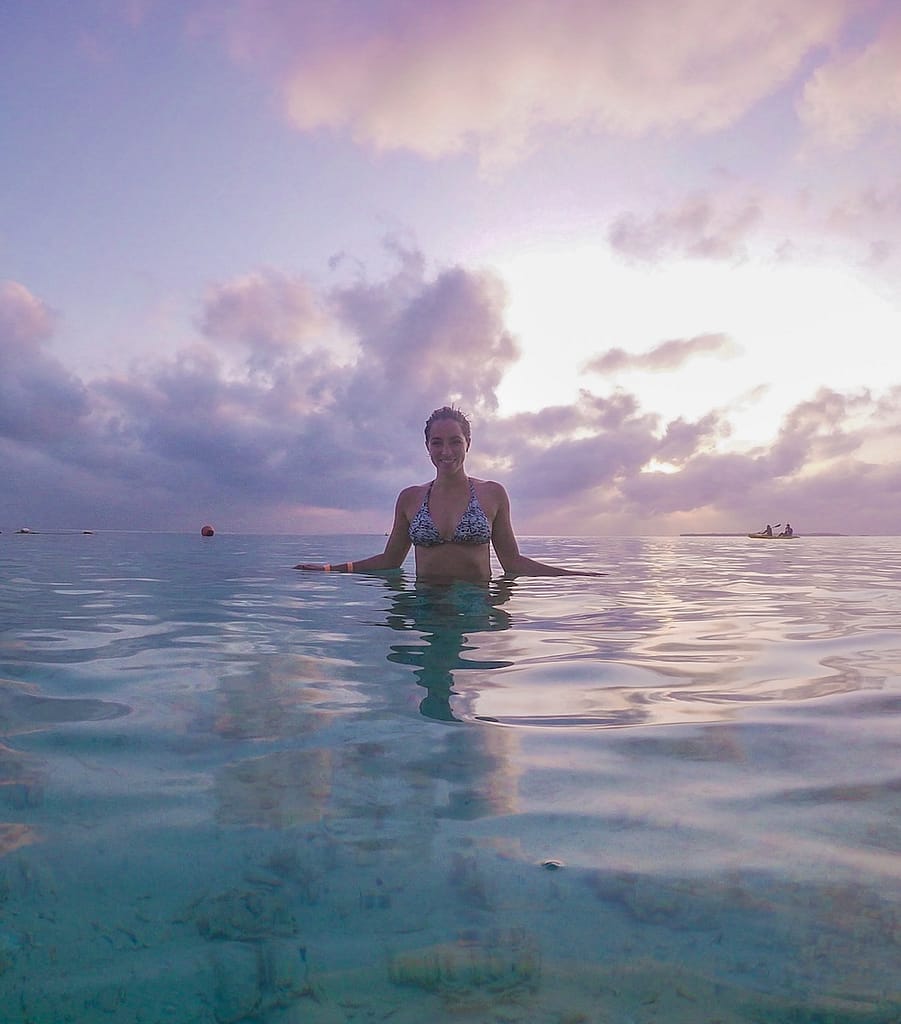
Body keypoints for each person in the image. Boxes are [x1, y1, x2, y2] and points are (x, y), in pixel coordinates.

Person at [294, 405, 604, 581]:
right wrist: (330, 569)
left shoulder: (492, 494)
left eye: (455, 441)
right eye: (437, 442)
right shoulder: (410, 498)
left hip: (476, 606)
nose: (446, 451)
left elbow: (513, 564)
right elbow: (390, 560)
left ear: (468, 443)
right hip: (424, 605)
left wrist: (578, 575)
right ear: (427, 446)